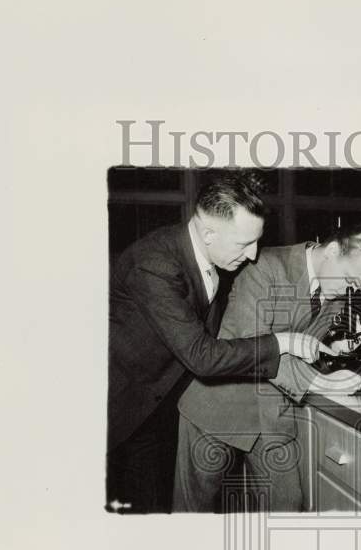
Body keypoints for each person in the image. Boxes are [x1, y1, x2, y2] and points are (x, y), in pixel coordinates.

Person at [107, 171, 331, 513]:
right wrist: (281, 342)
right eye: (244, 244)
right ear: (208, 231)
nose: (254, 255)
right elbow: (203, 356)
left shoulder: (211, 257)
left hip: (159, 404)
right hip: (117, 410)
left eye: (257, 241)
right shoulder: (154, 264)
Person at [174, 223, 361, 513]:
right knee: (193, 514)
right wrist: (318, 382)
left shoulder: (336, 293)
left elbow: (304, 346)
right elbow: (251, 345)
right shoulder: (266, 266)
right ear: (333, 250)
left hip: (272, 414)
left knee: (287, 506)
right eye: (349, 280)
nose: (349, 292)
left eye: (356, 288)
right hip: (217, 406)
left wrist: (333, 350)